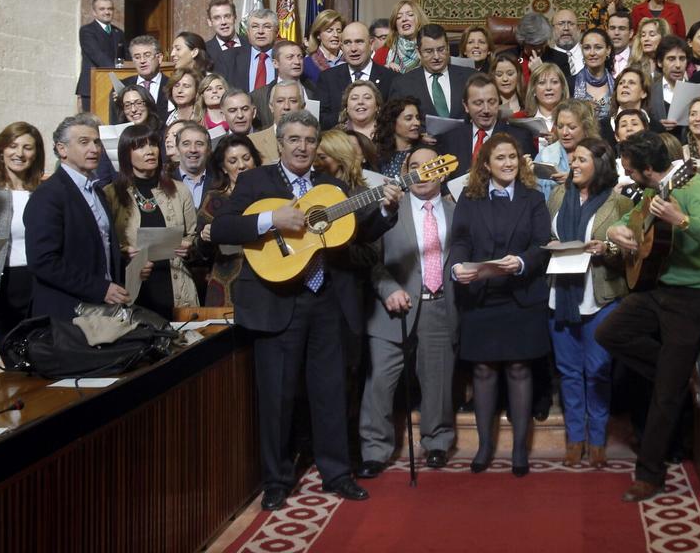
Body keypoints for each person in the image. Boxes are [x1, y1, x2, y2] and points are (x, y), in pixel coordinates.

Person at [211, 110, 400, 510]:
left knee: (331, 390)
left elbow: (356, 233)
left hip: (326, 299)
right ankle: (277, 480)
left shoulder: (330, 187)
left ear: (318, 145)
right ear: (280, 144)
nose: (302, 147)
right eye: (294, 139)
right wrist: (269, 219)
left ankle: (336, 473)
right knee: (277, 395)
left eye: (309, 140)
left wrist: (384, 210)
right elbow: (223, 229)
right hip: (277, 299)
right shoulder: (254, 181)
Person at [598, 131, 700, 501]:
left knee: (663, 395)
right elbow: (631, 225)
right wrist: (617, 232)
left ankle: (649, 474)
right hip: (660, 288)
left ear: (649, 169)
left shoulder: (695, 188)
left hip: (695, 294)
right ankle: (679, 374)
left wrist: (681, 220)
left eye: (629, 169)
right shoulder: (655, 191)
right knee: (609, 333)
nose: (626, 174)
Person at [448, 133, 552, 476]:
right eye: (500, 158)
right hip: (481, 296)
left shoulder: (534, 198)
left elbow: (542, 245)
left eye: (512, 157)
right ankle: (484, 447)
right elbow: (460, 240)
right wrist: (458, 267)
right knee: (482, 370)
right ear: (486, 165)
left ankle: (520, 450)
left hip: (521, 296)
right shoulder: (470, 197)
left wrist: (522, 263)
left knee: (520, 369)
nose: (507, 163)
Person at [359, 146, 459, 476]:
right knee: (380, 383)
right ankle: (375, 449)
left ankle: (438, 442)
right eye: (413, 166)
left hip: (439, 307)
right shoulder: (388, 209)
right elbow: (369, 257)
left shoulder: (455, 210)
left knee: (437, 380)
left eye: (429, 166)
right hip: (391, 311)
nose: (420, 172)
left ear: (442, 171)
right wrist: (388, 289)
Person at [546, 138, 631, 468]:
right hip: (560, 296)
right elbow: (543, 236)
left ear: (600, 163)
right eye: (572, 160)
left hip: (601, 297)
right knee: (568, 372)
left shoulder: (617, 203)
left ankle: (597, 438)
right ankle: (574, 439)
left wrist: (605, 250)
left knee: (597, 371)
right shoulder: (556, 196)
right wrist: (551, 244)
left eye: (582, 159)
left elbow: (631, 251)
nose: (574, 165)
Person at [25, 114, 125, 320]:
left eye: (97, 142)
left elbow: (96, 247)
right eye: (84, 142)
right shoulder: (48, 195)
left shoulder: (98, 192)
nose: (94, 149)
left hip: (102, 310)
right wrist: (99, 288)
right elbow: (43, 261)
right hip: (67, 313)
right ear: (62, 149)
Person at [104, 125, 199, 321]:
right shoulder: (111, 194)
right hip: (135, 286)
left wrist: (189, 248)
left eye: (153, 145)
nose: (149, 151)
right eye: (140, 146)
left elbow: (193, 235)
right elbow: (104, 244)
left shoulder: (179, 191)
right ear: (126, 154)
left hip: (175, 282)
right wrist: (124, 254)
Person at [0, 122, 44, 349]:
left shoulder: (44, 194)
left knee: (42, 353)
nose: (20, 154)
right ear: (1, 150)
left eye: (28, 147)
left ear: (36, 153)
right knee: (12, 355)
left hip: (40, 281)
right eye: (13, 146)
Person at [193, 133, 261, 307]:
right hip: (226, 283)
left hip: (265, 278)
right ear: (223, 167)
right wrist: (205, 237)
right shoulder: (215, 199)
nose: (242, 165)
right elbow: (199, 250)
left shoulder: (270, 195)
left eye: (246, 158)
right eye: (233, 161)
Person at [436, 74, 534, 177]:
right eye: (478, 103)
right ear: (466, 106)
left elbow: (529, 179)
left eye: (492, 102)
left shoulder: (519, 138)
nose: (486, 110)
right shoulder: (451, 139)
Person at [318, 20, 397, 129]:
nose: (353, 49)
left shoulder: (391, 78)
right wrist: (349, 116)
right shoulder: (327, 78)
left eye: (359, 42)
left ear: (371, 44)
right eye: (347, 43)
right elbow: (321, 119)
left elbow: (395, 119)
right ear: (341, 46)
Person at [388, 23, 474, 120]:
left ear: (448, 48)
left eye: (441, 50)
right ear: (418, 53)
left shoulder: (470, 77)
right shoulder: (402, 85)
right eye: (429, 51)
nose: (436, 57)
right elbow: (393, 122)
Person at [535, 99, 601, 200]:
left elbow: (607, 192)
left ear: (586, 127)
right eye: (560, 126)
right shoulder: (544, 155)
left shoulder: (599, 155)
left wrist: (574, 182)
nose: (564, 132)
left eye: (572, 127)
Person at [251, 40, 317, 130]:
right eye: (290, 57)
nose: (297, 62)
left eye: (300, 57)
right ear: (275, 63)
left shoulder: (315, 90)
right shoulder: (258, 97)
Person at [77, 0, 125, 110]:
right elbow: (97, 55)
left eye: (110, 9)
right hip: (93, 86)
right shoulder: (87, 31)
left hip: (114, 87)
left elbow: (124, 57)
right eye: (102, 9)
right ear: (94, 12)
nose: (107, 12)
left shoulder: (118, 32)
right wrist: (116, 73)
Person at [216, 7, 277, 93]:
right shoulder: (228, 58)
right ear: (248, 32)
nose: (260, 31)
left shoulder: (285, 58)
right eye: (255, 27)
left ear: (276, 32)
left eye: (267, 27)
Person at [508, 12, 572, 86]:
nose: (538, 50)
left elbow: (566, 91)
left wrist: (540, 72)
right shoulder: (507, 57)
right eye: (533, 46)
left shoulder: (560, 59)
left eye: (542, 44)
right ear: (523, 41)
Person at [118, 35, 170, 125]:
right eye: (137, 57)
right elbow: (117, 122)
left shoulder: (172, 85)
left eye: (147, 55)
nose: (142, 61)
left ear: (159, 58)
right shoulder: (123, 86)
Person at [250, 81, 306, 164]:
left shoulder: (315, 142)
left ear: (302, 106)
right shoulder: (252, 142)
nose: (286, 107)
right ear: (271, 106)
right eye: (280, 101)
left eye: (293, 101)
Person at [516, 61, 568, 146]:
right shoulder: (519, 119)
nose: (548, 88)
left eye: (554, 82)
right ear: (533, 90)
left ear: (562, 88)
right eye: (542, 83)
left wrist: (559, 143)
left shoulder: (573, 119)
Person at [374, 97, 425, 178]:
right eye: (409, 118)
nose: (417, 123)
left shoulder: (425, 151)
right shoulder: (379, 157)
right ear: (392, 123)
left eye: (417, 118)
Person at [648, 35, 690, 130]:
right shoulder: (649, 92)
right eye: (671, 59)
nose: (678, 65)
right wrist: (658, 126)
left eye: (682, 59)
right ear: (659, 62)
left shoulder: (699, 93)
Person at [571, 28, 614, 120]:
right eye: (587, 48)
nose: (592, 53)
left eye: (598, 47)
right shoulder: (569, 83)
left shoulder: (618, 85)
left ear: (608, 50)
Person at [372, 0, 425, 73]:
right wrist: (385, 71)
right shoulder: (383, 52)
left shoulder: (430, 49)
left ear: (419, 19)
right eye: (399, 17)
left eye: (410, 15)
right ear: (395, 24)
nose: (404, 19)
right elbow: (373, 80)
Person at [604, 66, 651, 140]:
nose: (625, 85)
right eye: (621, 83)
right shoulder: (601, 127)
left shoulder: (656, 127)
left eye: (631, 83)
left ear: (644, 93)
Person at [173, 123, 213, 208]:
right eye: (186, 144)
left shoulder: (221, 182)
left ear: (209, 150)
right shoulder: (165, 182)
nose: (193, 149)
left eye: (199, 144)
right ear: (177, 149)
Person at [303, 9, 345, 83]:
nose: (336, 35)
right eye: (329, 31)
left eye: (339, 31)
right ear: (318, 35)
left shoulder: (350, 61)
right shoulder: (307, 64)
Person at [629, 16, 669, 81]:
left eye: (652, 35)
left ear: (663, 38)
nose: (646, 39)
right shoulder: (634, 64)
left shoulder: (672, 63)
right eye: (643, 35)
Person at [551, 8, 584, 75]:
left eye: (571, 24)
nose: (566, 28)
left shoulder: (590, 54)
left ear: (579, 29)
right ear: (552, 29)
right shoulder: (545, 59)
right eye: (560, 24)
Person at [606, 11, 634, 77]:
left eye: (622, 28)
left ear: (631, 33)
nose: (616, 33)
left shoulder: (641, 60)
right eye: (612, 28)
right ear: (607, 32)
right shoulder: (598, 58)